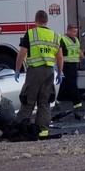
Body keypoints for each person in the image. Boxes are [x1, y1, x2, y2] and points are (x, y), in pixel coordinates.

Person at [14, 10, 64, 138]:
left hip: (34, 71)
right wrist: (60, 72)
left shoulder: (31, 33)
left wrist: (18, 69)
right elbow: (60, 57)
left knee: (28, 99)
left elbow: (22, 53)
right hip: (49, 72)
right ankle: (42, 131)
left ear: (35, 20)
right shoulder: (55, 36)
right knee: (44, 101)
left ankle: (22, 129)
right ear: (46, 21)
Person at [58, 23, 85, 120]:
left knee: (66, 84)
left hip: (73, 65)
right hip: (66, 65)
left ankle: (56, 101)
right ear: (68, 30)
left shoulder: (75, 40)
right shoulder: (62, 39)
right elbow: (58, 53)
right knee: (73, 86)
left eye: (76, 32)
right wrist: (58, 66)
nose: (75, 34)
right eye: (74, 32)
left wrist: (84, 59)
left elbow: (78, 50)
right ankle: (78, 105)